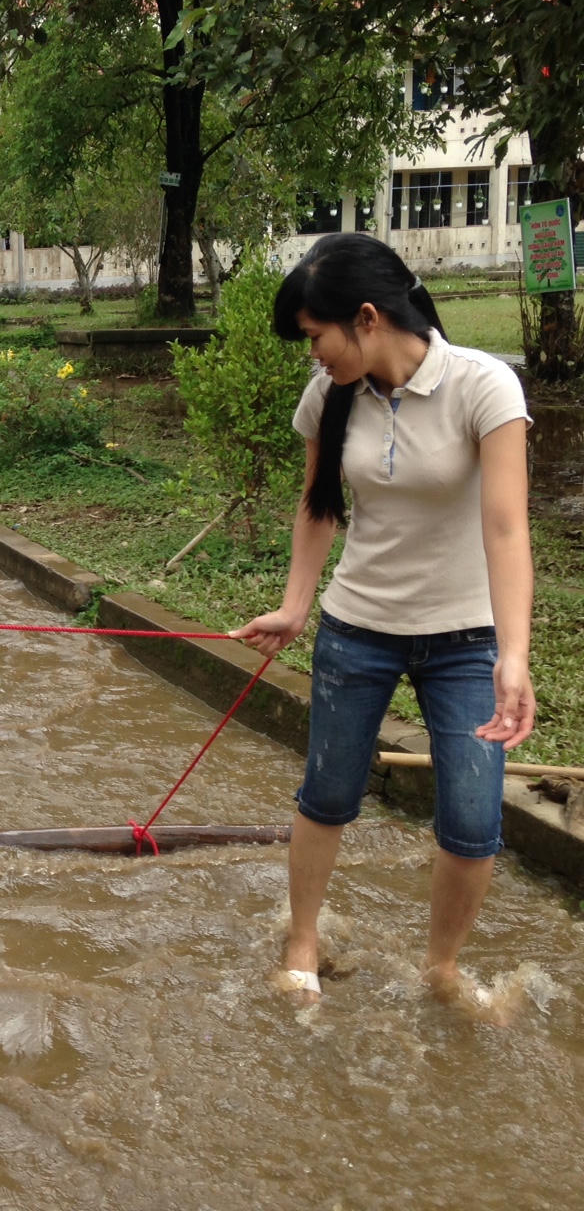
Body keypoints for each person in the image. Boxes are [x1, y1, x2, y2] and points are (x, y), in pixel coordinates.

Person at [230, 233, 535, 1006]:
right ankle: (302, 944)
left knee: (472, 819)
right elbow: (317, 508)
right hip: (356, 630)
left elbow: (506, 528)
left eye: (314, 338)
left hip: (466, 641)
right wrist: (297, 608)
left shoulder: (485, 388)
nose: (314, 357)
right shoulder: (331, 396)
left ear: (366, 318)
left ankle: (442, 968)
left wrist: (514, 654)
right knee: (326, 795)